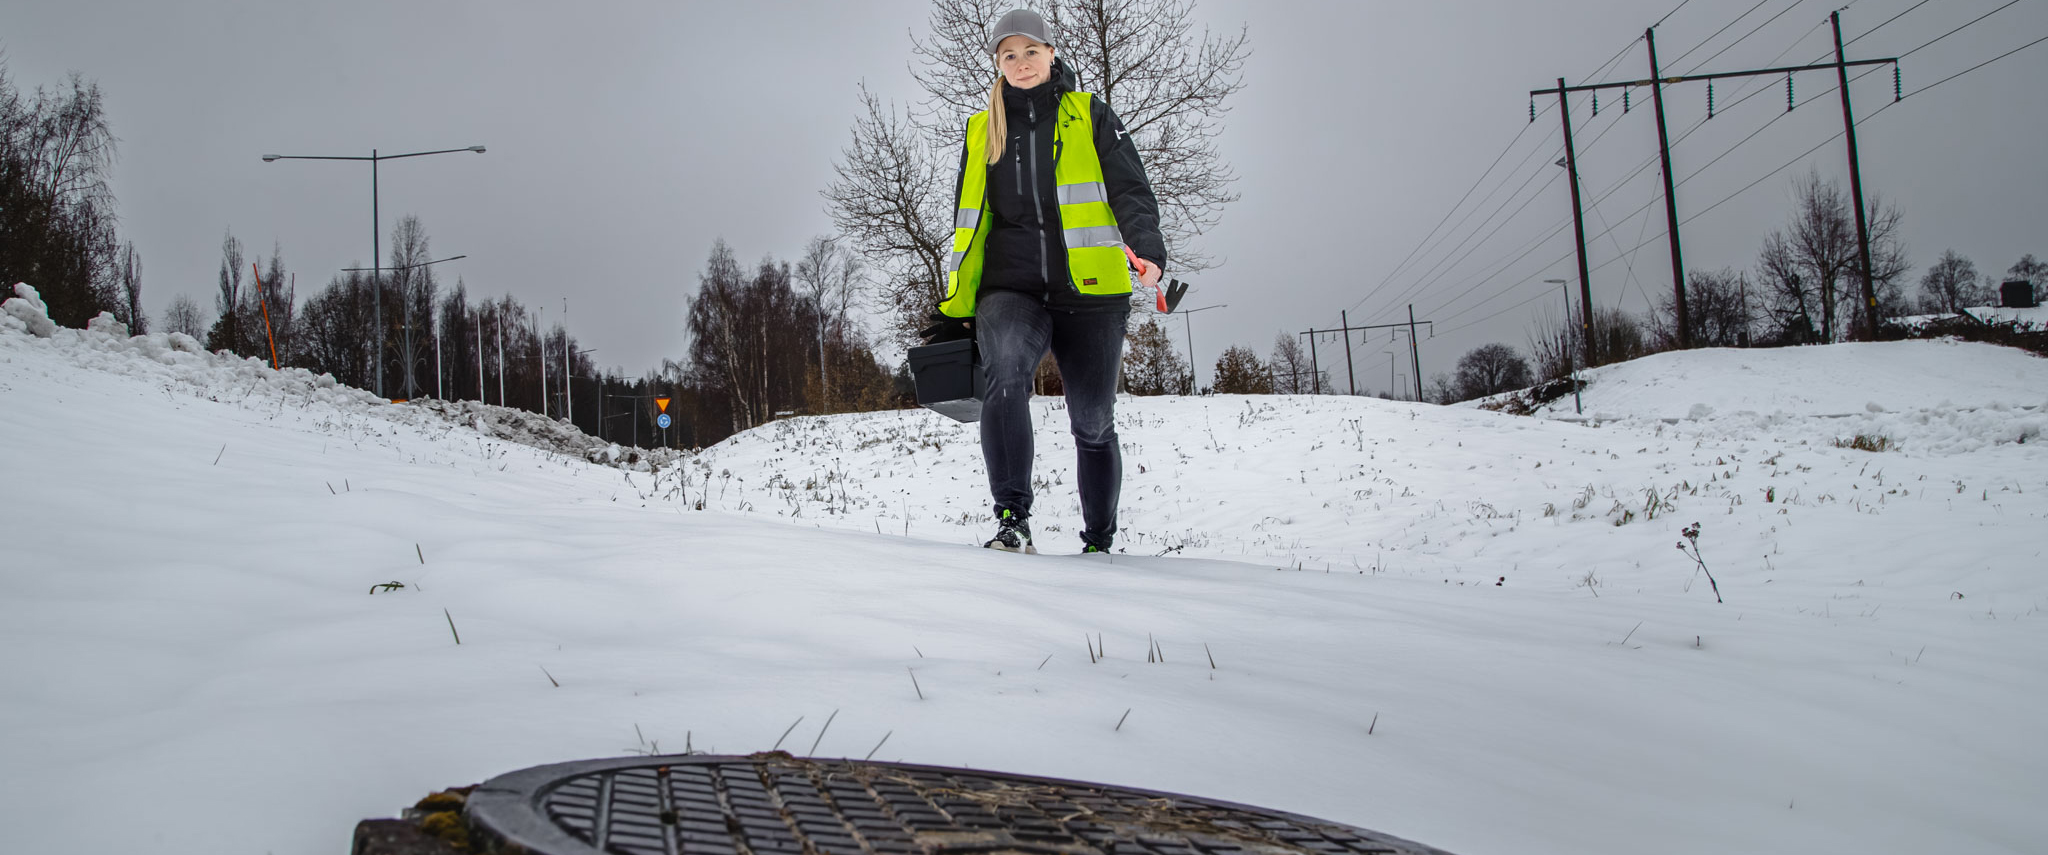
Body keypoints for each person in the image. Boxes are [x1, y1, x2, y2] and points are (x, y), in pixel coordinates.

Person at [920, 8, 1167, 555]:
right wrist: (962, 292)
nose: (1022, 63)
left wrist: (1146, 251)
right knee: (1005, 378)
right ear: (999, 65)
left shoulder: (1089, 115)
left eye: (1032, 51)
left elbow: (1130, 190)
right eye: (1010, 55)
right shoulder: (981, 128)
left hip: (1092, 293)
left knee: (1093, 422)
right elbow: (971, 213)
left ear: (1052, 55)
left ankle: (1099, 542)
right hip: (1011, 288)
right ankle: (1012, 521)